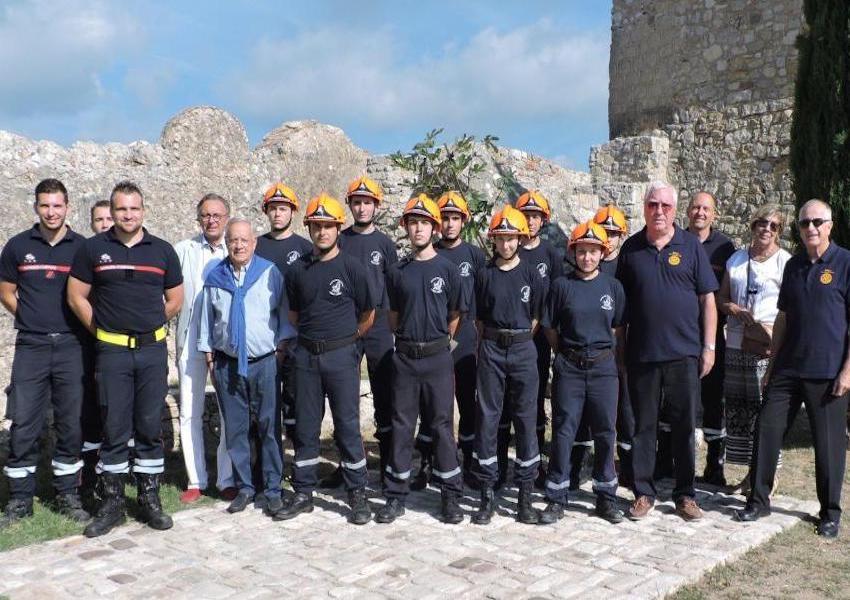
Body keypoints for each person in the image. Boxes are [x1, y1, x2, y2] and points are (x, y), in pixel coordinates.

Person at [68, 180, 184, 537]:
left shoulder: (162, 251)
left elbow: (175, 298)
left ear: (143, 211)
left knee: (149, 427)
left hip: (151, 351)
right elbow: (76, 296)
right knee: (115, 428)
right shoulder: (93, 249)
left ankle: (150, 500)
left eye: (134, 208)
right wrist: (102, 330)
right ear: (113, 211)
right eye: (121, 209)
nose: (128, 215)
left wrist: (149, 325)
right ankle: (113, 503)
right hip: (112, 352)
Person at [736, 199, 850, 539]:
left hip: (828, 372)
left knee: (828, 445)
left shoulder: (845, 263)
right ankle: (758, 500)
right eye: (804, 223)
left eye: (817, 222)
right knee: (767, 430)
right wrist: (772, 364)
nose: (811, 228)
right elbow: (783, 317)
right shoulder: (795, 265)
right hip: (787, 368)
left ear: (829, 225)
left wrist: (847, 372)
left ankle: (829, 512)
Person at [616, 181, 718, 522]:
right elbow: (621, 312)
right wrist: (620, 353)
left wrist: (709, 346)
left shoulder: (690, 247)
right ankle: (644, 493)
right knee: (643, 427)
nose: (658, 211)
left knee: (684, 426)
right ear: (644, 208)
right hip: (642, 356)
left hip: (684, 355)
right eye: (653, 205)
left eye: (665, 206)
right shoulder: (630, 250)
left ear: (675, 210)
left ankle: (685, 494)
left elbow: (708, 299)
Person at [275, 193, 375, 524]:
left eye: (328, 226)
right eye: (316, 227)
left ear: (337, 228)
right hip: (306, 357)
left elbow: (368, 314)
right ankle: (303, 492)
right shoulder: (297, 270)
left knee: (347, 426)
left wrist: (346, 341)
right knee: (305, 426)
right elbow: (293, 314)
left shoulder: (352, 268)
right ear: (310, 229)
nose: (322, 232)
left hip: (342, 356)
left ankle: (357, 493)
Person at [0, 179, 90, 527]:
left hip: (72, 345)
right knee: (23, 421)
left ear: (68, 207)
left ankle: (67, 494)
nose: (51, 212)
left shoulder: (83, 248)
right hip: (32, 345)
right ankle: (20, 500)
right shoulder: (18, 246)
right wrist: (29, 316)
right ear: (36, 207)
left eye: (57, 205)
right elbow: (7, 290)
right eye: (45, 205)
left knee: (70, 422)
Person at [376, 194, 464, 524]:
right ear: (406, 228)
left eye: (424, 223)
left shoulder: (448, 268)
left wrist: (441, 344)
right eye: (412, 223)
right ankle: (395, 495)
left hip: (438, 358)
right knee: (401, 426)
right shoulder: (398, 272)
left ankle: (451, 495)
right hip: (406, 358)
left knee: (442, 426)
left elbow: (455, 314)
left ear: (434, 228)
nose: (418, 229)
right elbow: (394, 317)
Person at [198, 218, 293, 517]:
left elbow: (284, 315)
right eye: (233, 240)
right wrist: (211, 358)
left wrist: (279, 351)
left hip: (265, 363)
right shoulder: (215, 277)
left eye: (243, 240)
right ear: (226, 243)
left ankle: (273, 488)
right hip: (227, 365)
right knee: (236, 430)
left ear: (254, 242)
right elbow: (207, 323)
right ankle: (245, 488)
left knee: (268, 427)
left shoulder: (269, 273)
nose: (238, 245)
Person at [540, 221, 626, 525]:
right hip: (570, 367)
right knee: (563, 431)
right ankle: (556, 497)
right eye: (581, 251)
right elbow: (549, 326)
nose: (587, 257)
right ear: (573, 252)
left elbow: (617, 327)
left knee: (605, 432)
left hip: (603, 368)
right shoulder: (561, 286)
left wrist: (607, 357)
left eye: (593, 252)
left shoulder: (613, 287)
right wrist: (565, 352)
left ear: (602, 254)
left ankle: (606, 497)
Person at [471, 205, 544, 525]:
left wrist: (519, 340)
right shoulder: (484, 274)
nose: (506, 244)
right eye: (501, 239)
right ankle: (487, 494)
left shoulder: (531, 273)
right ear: (494, 241)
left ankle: (525, 496)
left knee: (526, 419)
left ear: (520, 239)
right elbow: (478, 318)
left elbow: (537, 315)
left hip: (523, 350)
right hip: (491, 349)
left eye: (512, 238)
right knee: (488, 418)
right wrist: (494, 342)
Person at [414, 191, 485, 488]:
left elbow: (485, 295)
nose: (450, 224)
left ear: (463, 221)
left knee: (467, 402)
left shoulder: (475, 256)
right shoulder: (430, 253)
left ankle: (467, 460)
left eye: (456, 218)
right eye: (445, 218)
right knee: (430, 404)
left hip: (466, 339)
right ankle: (427, 462)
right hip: (433, 339)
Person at [718, 205, 790, 494]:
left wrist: (778, 338)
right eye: (762, 223)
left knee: (765, 410)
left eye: (773, 226)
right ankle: (751, 475)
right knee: (742, 411)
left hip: (768, 346)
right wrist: (734, 308)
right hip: (736, 343)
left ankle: (768, 477)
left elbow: (791, 307)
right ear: (753, 225)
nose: (767, 229)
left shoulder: (785, 262)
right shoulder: (735, 260)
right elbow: (722, 297)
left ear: (779, 232)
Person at [333, 176, 398, 487]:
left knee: (385, 396)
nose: (361, 207)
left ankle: (388, 466)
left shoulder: (385, 244)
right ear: (350, 205)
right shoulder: (340, 240)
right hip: (346, 326)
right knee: (345, 398)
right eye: (356, 202)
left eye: (367, 202)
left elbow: (395, 288)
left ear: (376, 206)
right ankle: (347, 464)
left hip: (380, 327)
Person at [174, 193, 236, 503]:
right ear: (199, 218)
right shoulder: (183, 251)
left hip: (224, 344)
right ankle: (196, 479)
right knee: (189, 411)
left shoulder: (236, 250)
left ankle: (225, 478)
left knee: (228, 411)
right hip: (190, 341)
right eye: (205, 215)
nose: (211, 220)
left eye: (217, 215)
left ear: (226, 217)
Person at [254, 183, 312, 442]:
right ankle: (266, 463)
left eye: (283, 208)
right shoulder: (255, 246)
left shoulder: (305, 248)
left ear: (292, 212)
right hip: (264, 336)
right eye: (273, 208)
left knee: (296, 399)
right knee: (264, 401)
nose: (278, 213)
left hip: (297, 336)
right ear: (266, 212)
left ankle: (298, 455)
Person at [685, 191, 736, 486]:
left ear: (714, 214)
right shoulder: (677, 240)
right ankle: (669, 461)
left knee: (714, 401)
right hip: (679, 335)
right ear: (688, 211)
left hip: (713, 335)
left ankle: (714, 467)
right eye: (695, 207)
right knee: (675, 402)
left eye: (706, 208)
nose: (700, 212)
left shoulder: (724, 249)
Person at [515, 190, 563, 488]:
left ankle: (535, 462)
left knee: (533, 401)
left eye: (536, 216)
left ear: (543, 220)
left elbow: (557, 298)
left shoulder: (551, 255)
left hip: (539, 340)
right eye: (526, 215)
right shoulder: (507, 249)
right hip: (509, 338)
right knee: (509, 401)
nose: (531, 221)